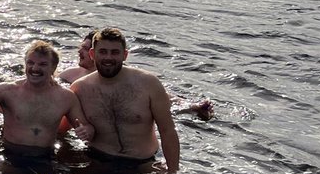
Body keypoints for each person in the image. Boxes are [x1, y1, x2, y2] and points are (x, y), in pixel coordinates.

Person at [72, 28, 181, 173]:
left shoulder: (149, 84)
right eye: (103, 52)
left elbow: (167, 131)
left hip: (144, 163)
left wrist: (173, 172)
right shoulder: (79, 88)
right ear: (92, 54)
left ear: (125, 55)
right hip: (98, 159)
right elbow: (60, 126)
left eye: (115, 52)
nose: (108, 58)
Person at [60, 29, 212, 120]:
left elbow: (166, 98)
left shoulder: (129, 79)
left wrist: (192, 106)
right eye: (81, 47)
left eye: (85, 49)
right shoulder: (70, 75)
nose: (79, 51)